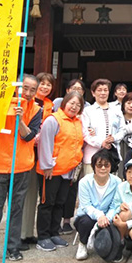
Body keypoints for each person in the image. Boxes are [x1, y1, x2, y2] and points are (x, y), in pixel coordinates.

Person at [0, 74, 42, 263]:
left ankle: (13, 247)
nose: (29, 93)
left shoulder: (36, 109)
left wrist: (20, 119)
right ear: (16, 86)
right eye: (25, 88)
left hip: (21, 166)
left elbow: (29, 136)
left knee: (16, 209)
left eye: (33, 89)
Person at [36, 91, 85, 252]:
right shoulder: (53, 119)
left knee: (59, 203)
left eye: (78, 105)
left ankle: (54, 232)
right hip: (52, 170)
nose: (74, 107)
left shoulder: (77, 122)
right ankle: (43, 236)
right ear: (64, 103)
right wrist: (47, 165)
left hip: (68, 170)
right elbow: (45, 143)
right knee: (47, 203)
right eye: (72, 103)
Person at [19, 72, 55, 250]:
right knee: (21, 195)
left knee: (33, 193)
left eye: (49, 85)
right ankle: (17, 235)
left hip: (40, 153)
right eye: (42, 84)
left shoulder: (50, 105)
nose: (45, 87)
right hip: (24, 150)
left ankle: (27, 233)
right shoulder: (21, 102)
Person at [55, 78, 90, 235]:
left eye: (80, 89)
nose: (77, 91)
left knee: (71, 189)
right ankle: (53, 225)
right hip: (60, 154)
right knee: (56, 192)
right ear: (67, 90)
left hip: (79, 153)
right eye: (74, 88)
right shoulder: (58, 103)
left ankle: (67, 220)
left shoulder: (87, 108)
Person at [73, 149, 122, 261]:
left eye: (106, 165)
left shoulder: (117, 182)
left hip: (107, 217)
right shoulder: (84, 182)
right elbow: (86, 206)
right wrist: (99, 216)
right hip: (88, 216)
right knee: (86, 221)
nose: (103, 168)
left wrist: (106, 218)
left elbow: (115, 205)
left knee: (119, 217)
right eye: (99, 165)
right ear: (93, 166)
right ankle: (82, 243)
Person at [83, 79, 123, 176]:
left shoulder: (116, 110)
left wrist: (114, 138)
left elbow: (122, 129)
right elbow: (85, 133)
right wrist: (101, 143)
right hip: (92, 155)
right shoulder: (87, 111)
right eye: (99, 90)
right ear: (93, 93)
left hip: (112, 155)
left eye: (105, 90)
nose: (103, 93)